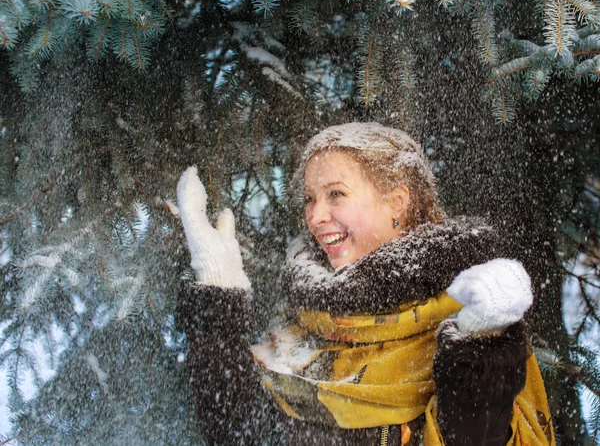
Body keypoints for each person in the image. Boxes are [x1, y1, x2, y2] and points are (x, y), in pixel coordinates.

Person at [176, 122, 555, 446]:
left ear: (397, 202)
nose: (315, 216)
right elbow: (240, 430)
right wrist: (218, 292)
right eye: (310, 198)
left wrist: (480, 366)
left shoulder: (468, 321)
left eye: (336, 194)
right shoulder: (306, 320)